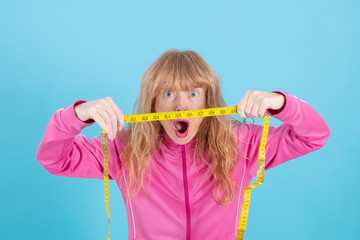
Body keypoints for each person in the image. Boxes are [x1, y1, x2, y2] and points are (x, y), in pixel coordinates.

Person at [36, 49, 331, 240]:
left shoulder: (242, 144)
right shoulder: (122, 148)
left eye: (192, 93)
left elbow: (315, 135)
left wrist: (281, 103)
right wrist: (77, 114)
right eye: (167, 94)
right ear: (152, 102)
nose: (180, 107)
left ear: (209, 99)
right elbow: (54, 159)